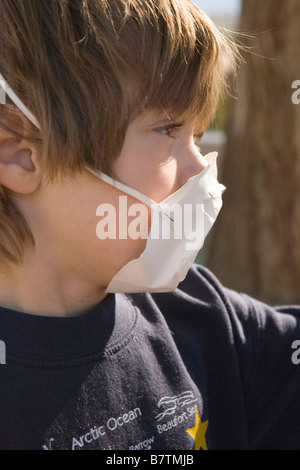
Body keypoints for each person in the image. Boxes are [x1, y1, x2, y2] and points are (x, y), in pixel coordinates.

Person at [0, 0, 299, 451]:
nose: (200, 168)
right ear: (21, 152)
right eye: (168, 129)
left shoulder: (202, 317)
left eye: (198, 135)